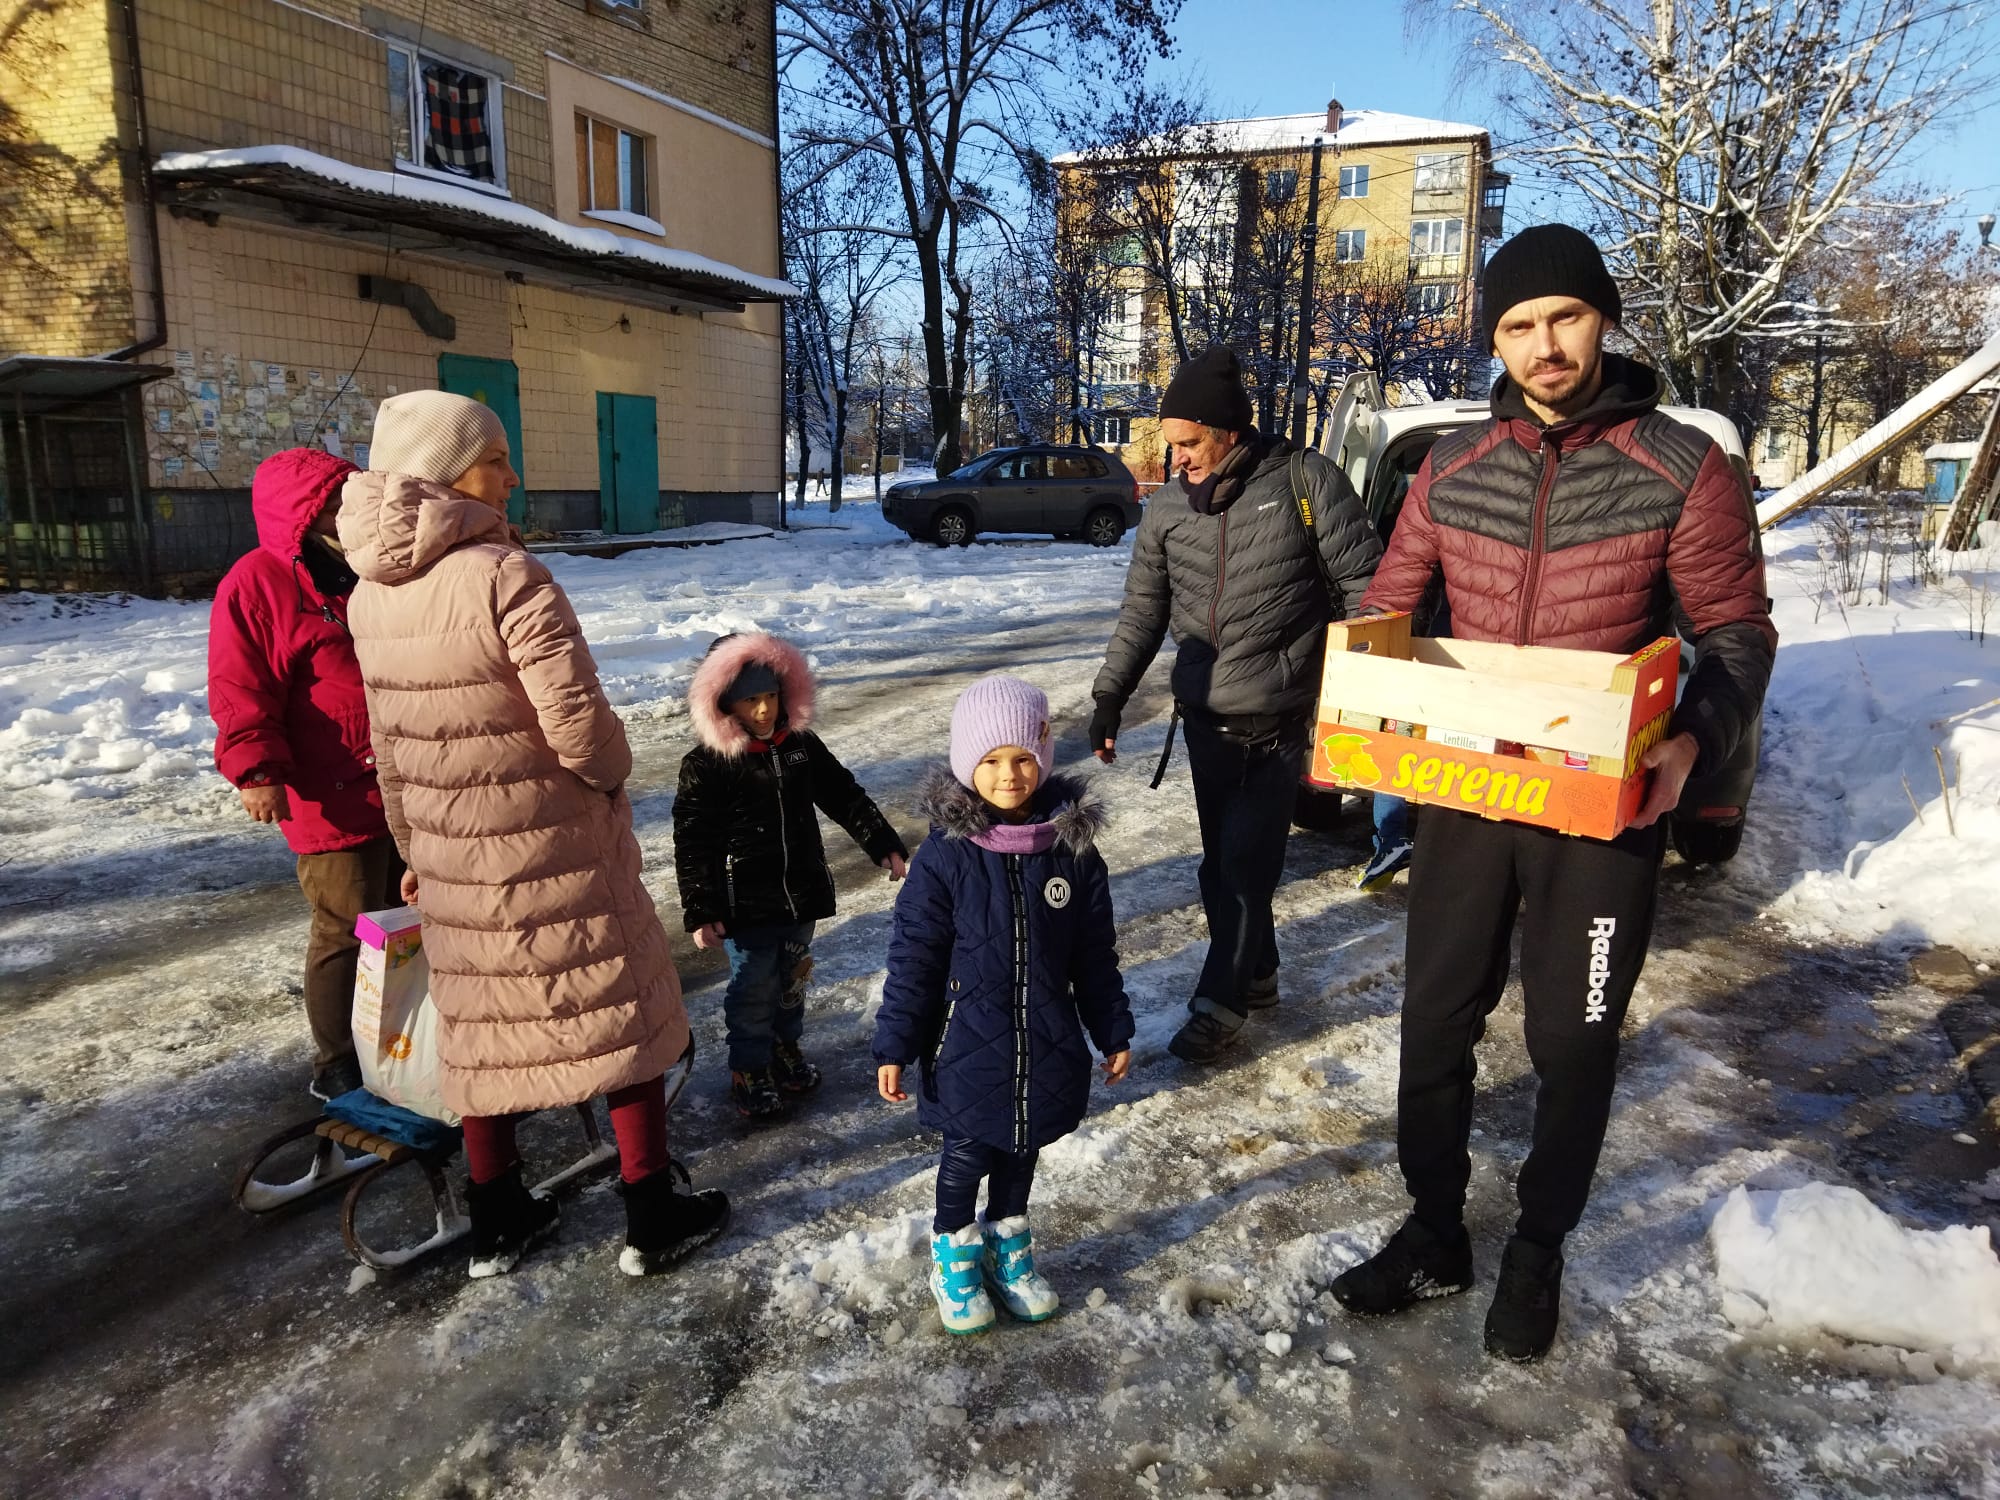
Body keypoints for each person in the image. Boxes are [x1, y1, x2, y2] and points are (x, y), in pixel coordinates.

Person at [1329, 225, 1776, 1361]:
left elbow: (1732, 631)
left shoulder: (1681, 465)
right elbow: (1389, 606)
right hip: (1468, 793)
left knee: (1571, 1038)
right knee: (1433, 1024)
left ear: (1602, 321)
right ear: (1494, 337)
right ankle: (1435, 1230)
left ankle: (1536, 1248)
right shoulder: (1449, 467)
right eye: (1518, 325)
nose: (1543, 345)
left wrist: (1692, 742)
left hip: (1601, 806)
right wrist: (1352, 696)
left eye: (1563, 318)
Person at [337, 390, 727, 1282]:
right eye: (494, 460)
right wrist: (614, 774)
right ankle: (651, 1210)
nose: (511, 477)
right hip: (551, 846)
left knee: (483, 1028)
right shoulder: (506, 576)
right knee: (617, 1008)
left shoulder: (368, 596)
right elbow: (583, 732)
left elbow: (387, 751)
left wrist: (413, 849)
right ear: (444, 475)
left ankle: (501, 1219)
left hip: (447, 857)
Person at [1089, 346, 1382, 1063]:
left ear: (1228, 431)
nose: (1177, 458)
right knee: (1221, 861)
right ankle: (1260, 971)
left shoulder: (1305, 480)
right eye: (1170, 444)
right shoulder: (1165, 509)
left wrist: (1352, 700)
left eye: (1188, 443)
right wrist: (1108, 698)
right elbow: (1141, 614)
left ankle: (1220, 999)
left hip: (1277, 717)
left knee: (1242, 869)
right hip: (1204, 721)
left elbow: (1368, 588)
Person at [873, 675, 1134, 1334]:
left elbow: (1094, 955)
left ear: (1043, 758)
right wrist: (896, 1044)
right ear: (967, 766)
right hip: (965, 1044)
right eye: (990, 761)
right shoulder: (944, 859)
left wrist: (1112, 1028)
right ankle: (953, 1257)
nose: (1009, 774)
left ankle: (1009, 1251)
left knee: (1023, 1151)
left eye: (1022, 757)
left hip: (1045, 1041)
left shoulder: (1071, 853)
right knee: (967, 1154)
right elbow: (915, 958)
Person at [209, 447, 401, 1102]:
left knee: (403, 919)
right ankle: (337, 1062)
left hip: (400, 778)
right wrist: (256, 767)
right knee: (347, 925)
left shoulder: (369, 568)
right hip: (328, 789)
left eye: (349, 495)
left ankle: (399, 1035)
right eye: (330, 500)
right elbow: (241, 686)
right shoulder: (257, 582)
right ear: (299, 512)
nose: (344, 510)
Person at [672, 631, 909, 1124]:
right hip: (745, 905)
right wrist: (704, 908)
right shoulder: (708, 765)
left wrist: (881, 841)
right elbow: (695, 842)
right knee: (754, 986)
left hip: (800, 894)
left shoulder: (799, 746)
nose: (762, 711)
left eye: (770, 697)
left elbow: (843, 794)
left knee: (791, 982)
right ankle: (749, 1067)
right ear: (723, 704)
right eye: (749, 700)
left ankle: (784, 1047)